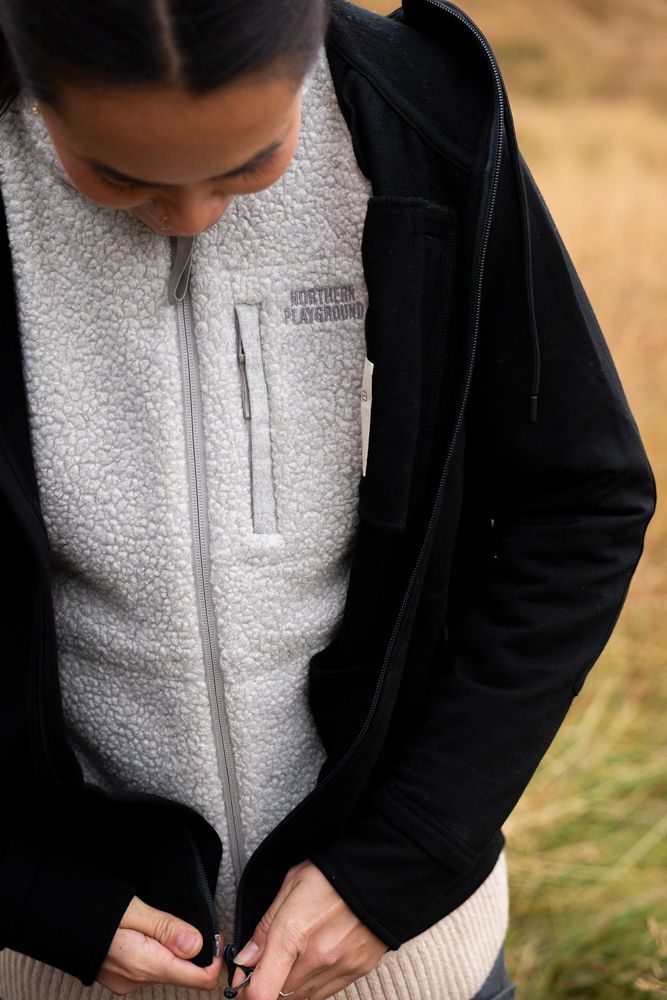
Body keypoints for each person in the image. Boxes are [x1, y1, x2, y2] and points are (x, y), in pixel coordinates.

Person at [0, 0, 655, 998]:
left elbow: (577, 505)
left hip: (410, 961)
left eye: (249, 161)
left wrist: (402, 860)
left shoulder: (428, 120)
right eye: (120, 176)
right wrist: (32, 895)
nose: (192, 214)